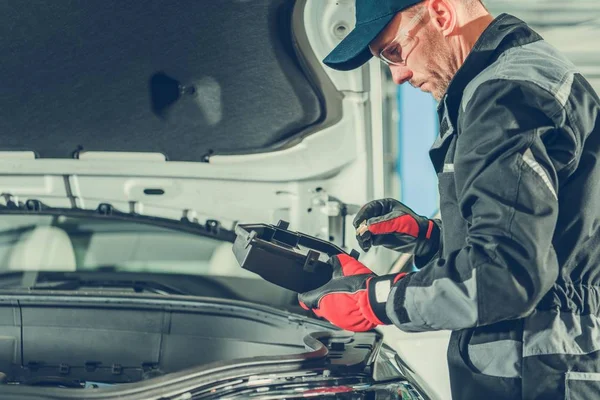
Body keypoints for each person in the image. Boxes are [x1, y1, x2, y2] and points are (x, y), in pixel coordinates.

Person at [298, 0, 600, 399]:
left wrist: (375, 299)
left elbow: (506, 275)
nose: (398, 76)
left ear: (441, 14)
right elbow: (544, 237)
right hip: (547, 363)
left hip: (537, 373)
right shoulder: (514, 78)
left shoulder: (504, 95)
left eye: (394, 51)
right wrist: (432, 238)